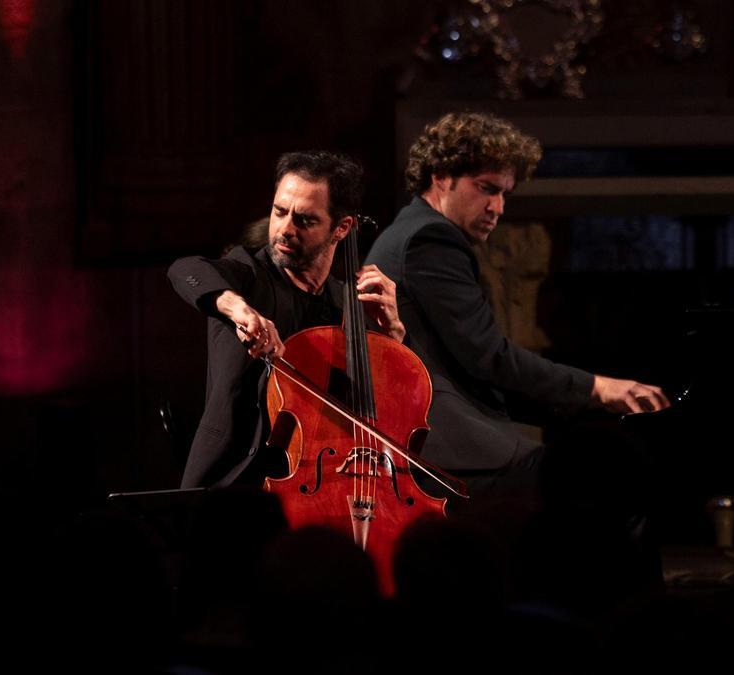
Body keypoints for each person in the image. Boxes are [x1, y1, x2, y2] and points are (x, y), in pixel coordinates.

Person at [366, 112, 670, 504]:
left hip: (438, 428)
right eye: (486, 188)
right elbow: (489, 357)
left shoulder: (414, 230)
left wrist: (575, 405)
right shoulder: (430, 238)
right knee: (585, 484)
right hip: (439, 441)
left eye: (505, 193)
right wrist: (599, 388)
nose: (498, 207)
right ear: (441, 177)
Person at [169, 151, 404, 488]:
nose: (285, 229)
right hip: (235, 482)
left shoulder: (349, 306)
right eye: (280, 212)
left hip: (325, 483)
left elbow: (392, 406)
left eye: (305, 220)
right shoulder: (247, 275)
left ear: (342, 228)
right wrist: (238, 308)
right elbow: (185, 270)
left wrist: (393, 333)